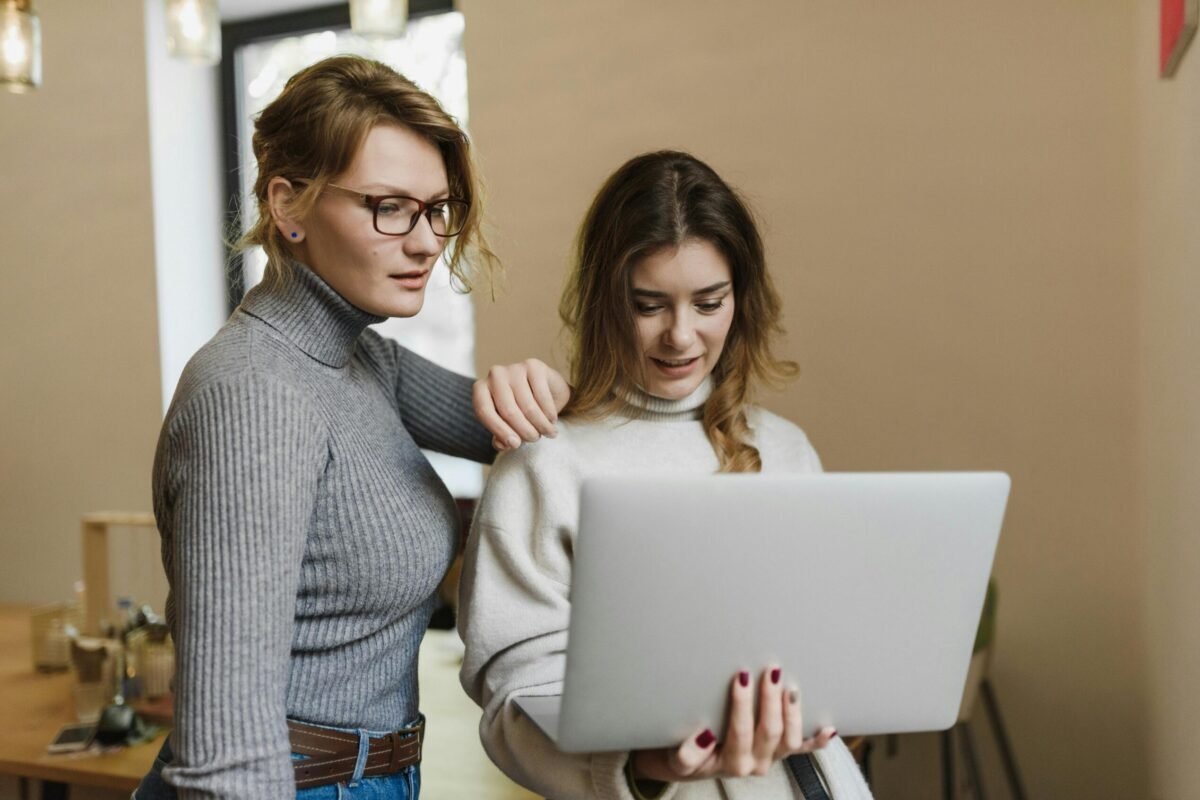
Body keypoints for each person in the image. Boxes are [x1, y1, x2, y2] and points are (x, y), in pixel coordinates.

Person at [133, 56, 570, 799]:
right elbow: (224, 760)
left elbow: (559, 436)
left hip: (365, 776)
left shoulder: (365, 360)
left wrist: (536, 386)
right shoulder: (254, 394)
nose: (429, 241)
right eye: (388, 206)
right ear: (288, 205)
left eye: (436, 209)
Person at [458, 151, 875, 799]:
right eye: (648, 305)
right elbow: (515, 703)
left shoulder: (786, 448)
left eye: (709, 302)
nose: (681, 336)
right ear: (602, 302)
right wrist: (643, 764)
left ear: (743, 296)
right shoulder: (544, 460)